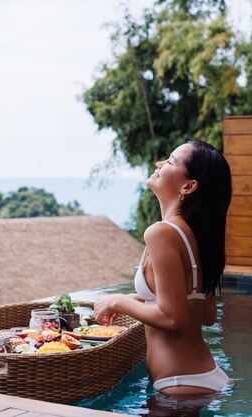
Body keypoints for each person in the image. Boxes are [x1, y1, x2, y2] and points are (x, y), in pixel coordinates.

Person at [94, 139, 232, 395]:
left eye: (170, 161)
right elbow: (205, 313)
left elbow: (173, 318)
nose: (159, 163)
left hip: (178, 384)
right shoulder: (198, 235)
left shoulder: (161, 233)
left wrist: (118, 302)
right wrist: (135, 297)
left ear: (189, 186)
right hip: (207, 376)